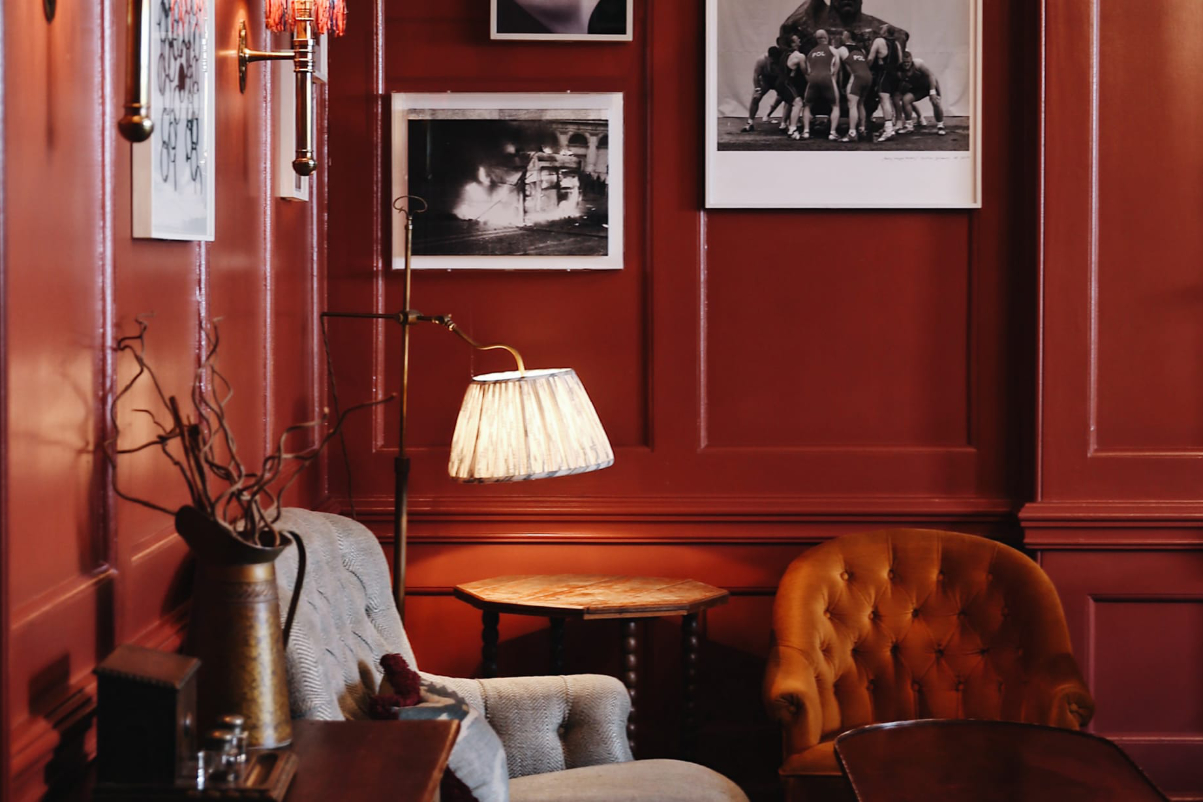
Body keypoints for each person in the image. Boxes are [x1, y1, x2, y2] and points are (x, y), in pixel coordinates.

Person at [795, 29, 841, 141]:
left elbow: (808, 70)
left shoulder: (811, 52)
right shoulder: (832, 50)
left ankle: (806, 132)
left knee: (807, 105)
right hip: (827, 77)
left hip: (813, 79)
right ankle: (832, 133)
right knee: (835, 105)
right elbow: (836, 67)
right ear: (827, 38)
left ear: (816, 40)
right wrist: (833, 80)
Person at [867, 24, 903, 142]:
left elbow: (871, 58)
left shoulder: (879, 41)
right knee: (892, 100)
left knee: (884, 100)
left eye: (882, 29)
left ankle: (889, 129)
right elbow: (900, 61)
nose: (880, 30)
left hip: (885, 74)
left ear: (886, 32)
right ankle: (891, 125)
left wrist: (867, 69)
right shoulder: (896, 44)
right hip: (895, 75)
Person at [834, 30, 871, 141]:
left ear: (846, 36)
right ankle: (862, 129)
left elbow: (838, 69)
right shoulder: (862, 50)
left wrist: (840, 85)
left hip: (857, 77)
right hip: (868, 77)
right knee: (861, 103)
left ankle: (852, 133)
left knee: (852, 105)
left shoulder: (841, 49)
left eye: (843, 34)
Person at [898, 52, 947, 135]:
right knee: (905, 100)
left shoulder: (918, 64)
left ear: (911, 60)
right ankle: (909, 125)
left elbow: (931, 76)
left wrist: (933, 91)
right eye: (904, 62)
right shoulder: (898, 69)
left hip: (929, 85)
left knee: (936, 102)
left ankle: (940, 125)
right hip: (918, 88)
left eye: (908, 62)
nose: (906, 65)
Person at [742, 46, 785, 132]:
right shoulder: (761, 60)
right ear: (768, 57)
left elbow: (785, 75)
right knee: (756, 98)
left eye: (775, 60)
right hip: (766, 80)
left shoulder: (782, 61)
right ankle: (750, 122)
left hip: (778, 80)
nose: (773, 62)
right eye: (772, 60)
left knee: (785, 97)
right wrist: (757, 89)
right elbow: (756, 76)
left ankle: (783, 122)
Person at [779, 34, 809, 139]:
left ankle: (785, 124)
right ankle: (792, 129)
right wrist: (811, 85)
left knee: (791, 103)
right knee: (798, 103)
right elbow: (805, 73)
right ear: (792, 43)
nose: (800, 39)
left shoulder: (785, 54)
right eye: (797, 39)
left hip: (782, 82)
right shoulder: (799, 56)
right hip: (786, 83)